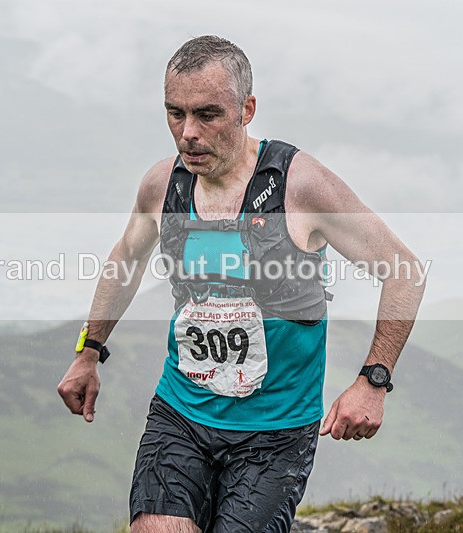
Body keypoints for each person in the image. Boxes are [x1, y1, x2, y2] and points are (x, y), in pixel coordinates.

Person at [58, 35, 426, 533]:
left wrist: (373, 381)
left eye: (207, 114)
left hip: (274, 433)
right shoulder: (162, 185)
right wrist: (89, 351)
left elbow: (402, 270)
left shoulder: (300, 185)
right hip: (181, 413)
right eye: (174, 113)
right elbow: (126, 258)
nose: (188, 132)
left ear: (246, 108)